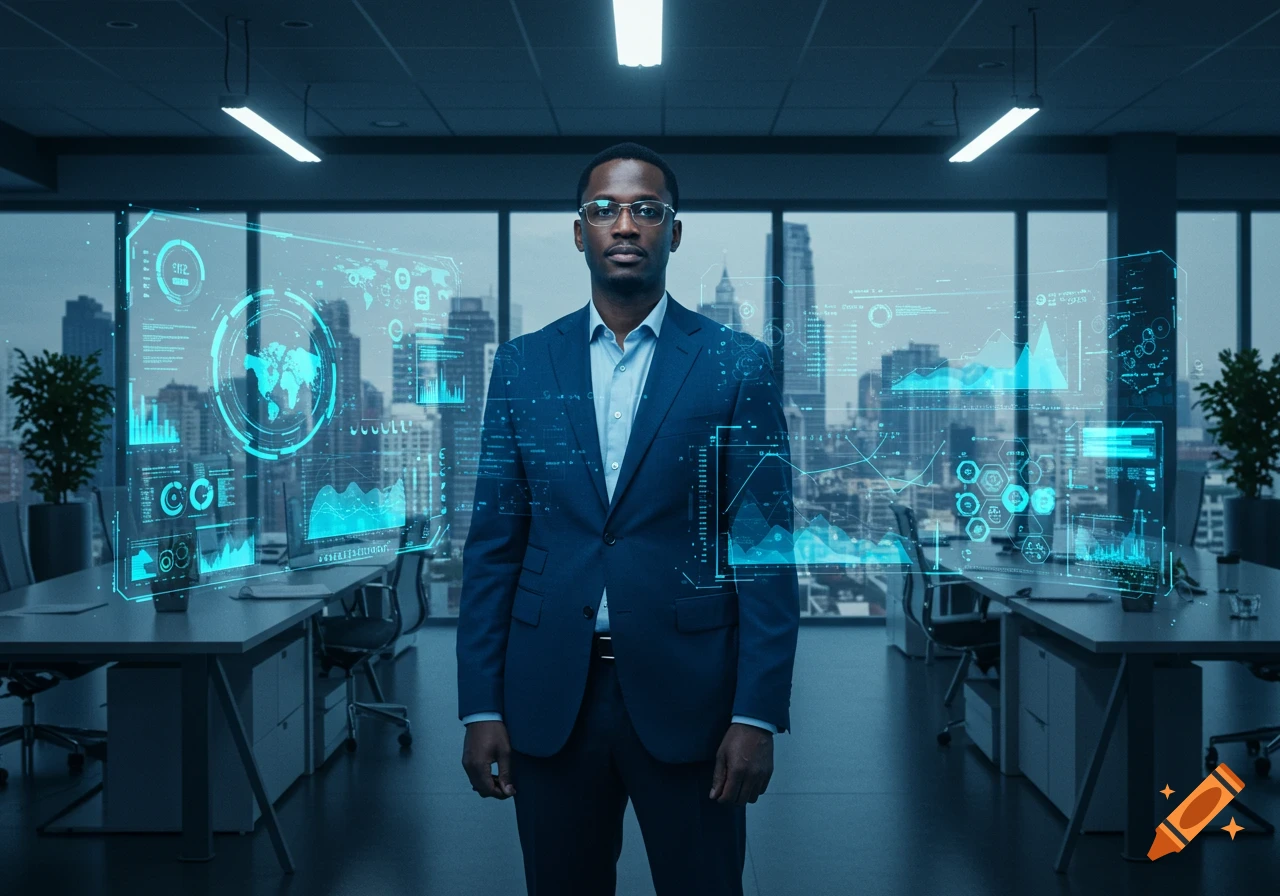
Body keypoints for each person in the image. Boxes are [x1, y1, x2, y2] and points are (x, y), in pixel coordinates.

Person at [457, 142, 799, 896]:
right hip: (550, 697)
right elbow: (494, 546)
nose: (625, 224)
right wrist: (480, 704)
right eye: (603, 209)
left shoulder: (735, 364)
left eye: (647, 210)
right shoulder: (521, 366)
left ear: (672, 233)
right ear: (579, 232)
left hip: (694, 698)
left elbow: (766, 550)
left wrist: (758, 714)